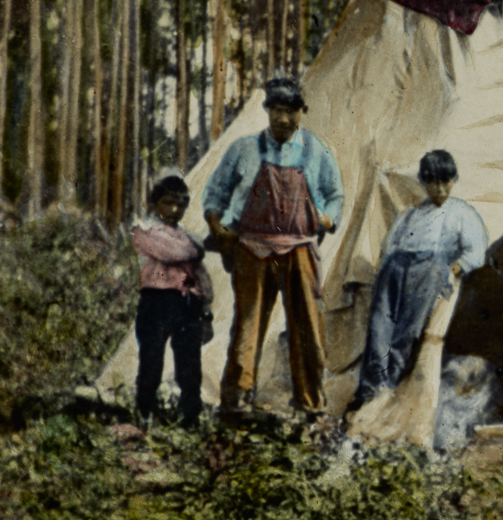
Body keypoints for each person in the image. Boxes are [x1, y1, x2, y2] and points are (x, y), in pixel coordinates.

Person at [202, 76, 345, 415]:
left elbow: (335, 194)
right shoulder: (244, 149)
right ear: (267, 111)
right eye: (277, 110)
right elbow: (215, 192)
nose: (283, 119)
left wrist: (327, 218)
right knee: (248, 323)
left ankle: (310, 403)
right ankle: (237, 398)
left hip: (299, 248)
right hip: (252, 248)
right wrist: (215, 223)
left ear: (301, 113)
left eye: (291, 111)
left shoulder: (316, 151)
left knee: (307, 324)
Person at [352, 150, 490, 408]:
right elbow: (392, 242)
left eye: (445, 182)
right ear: (424, 182)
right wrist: (388, 265)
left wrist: (454, 269)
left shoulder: (461, 213)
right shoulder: (412, 214)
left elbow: (476, 250)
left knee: (406, 331)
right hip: (396, 267)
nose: (439, 189)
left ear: (453, 180)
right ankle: (369, 390)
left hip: (430, 268)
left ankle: (387, 388)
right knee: (380, 326)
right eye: (433, 182)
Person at [130, 174, 212, 427]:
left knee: (189, 365)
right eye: (168, 203)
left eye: (181, 204)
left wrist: (206, 308)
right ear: (156, 203)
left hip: (187, 304)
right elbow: (169, 251)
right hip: (157, 301)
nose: (175, 210)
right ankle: (145, 414)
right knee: (151, 360)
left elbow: (201, 276)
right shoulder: (144, 231)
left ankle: (190, 417)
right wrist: (195, 248)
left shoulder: (185, 236)